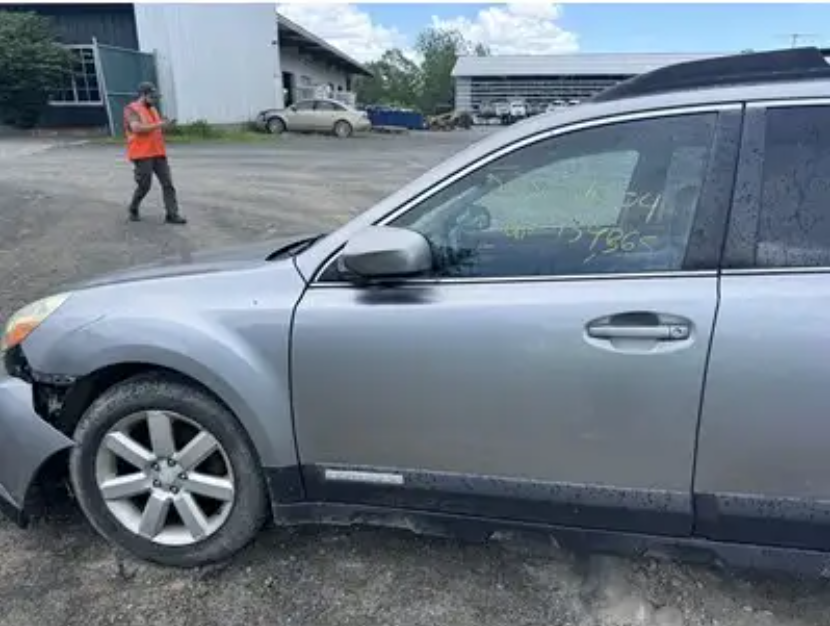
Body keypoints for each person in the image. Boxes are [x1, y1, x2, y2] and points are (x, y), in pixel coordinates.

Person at [123, 82, 187, 224]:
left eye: (155, 97)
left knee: (168, 184)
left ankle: (172, 214)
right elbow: (137, 128)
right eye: (152, 97)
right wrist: (160, 124)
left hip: (158, 152)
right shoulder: (131, 109)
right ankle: (133, 208)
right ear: (143, 95)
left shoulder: (153, 109)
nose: (154, 99)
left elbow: (156, 129)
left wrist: (167, 125)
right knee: (144, 186)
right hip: (141, 154)